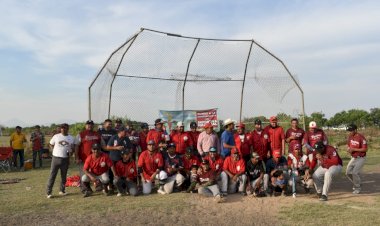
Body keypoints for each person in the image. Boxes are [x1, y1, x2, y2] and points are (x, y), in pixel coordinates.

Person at [46, 123, 76, 198]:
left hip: (65, 159)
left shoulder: (71, 138)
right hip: (55, 158)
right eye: (62, 128)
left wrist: (71, 152)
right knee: (52, 175)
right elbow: (50, 144)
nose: (63, 129)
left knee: (64, 176)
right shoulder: (56, 136)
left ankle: (62, 191)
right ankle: (49, 193)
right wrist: (54, 150)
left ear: (67, 129)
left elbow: (72, 148)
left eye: (65, 128)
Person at [107, 126, 132, 193]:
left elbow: (130, 148)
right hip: (113, 159)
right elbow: (108, 147)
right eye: (125, 131)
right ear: (120, 132)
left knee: (123, 174)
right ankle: (111, 188)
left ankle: (123, 188)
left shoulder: (126, 139)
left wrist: (128, 156)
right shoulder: (114, 137)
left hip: (123, 160)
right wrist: (116, 148)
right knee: (112, 174)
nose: (126, 132)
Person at [345, 124, 367, 194]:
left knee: (355, 172)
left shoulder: (361, 137)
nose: (350, 132)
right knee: (348, 172)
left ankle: (357, 188)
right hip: (353, 158)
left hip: (361, 158)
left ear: (355, 130)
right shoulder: (350, 137)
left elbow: (365, 149)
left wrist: (354, 149)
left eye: (351, 130)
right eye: (349, 131)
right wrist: (348, 149)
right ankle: (358, 182)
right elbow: (348, 145)